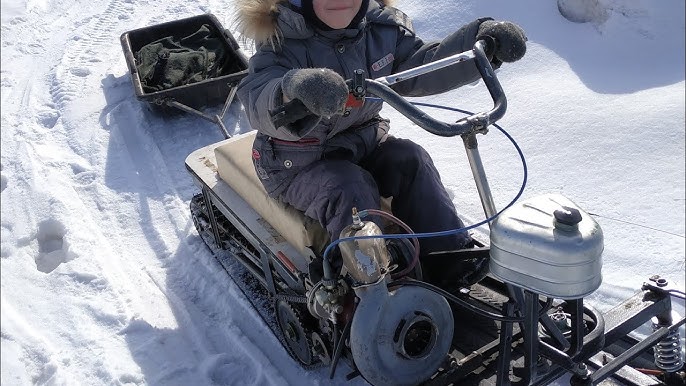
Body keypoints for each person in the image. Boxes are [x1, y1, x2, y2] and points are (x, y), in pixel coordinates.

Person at [234, 0, 527, 284]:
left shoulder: (380, 29)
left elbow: (424, 66)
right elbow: (258, 94)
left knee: (411, 159)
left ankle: (449, 255)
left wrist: (480, 47)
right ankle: (372, 280)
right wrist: (293, 89)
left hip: (364, 143)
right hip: (296, 162)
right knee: (348, 187)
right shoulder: (281, 39)